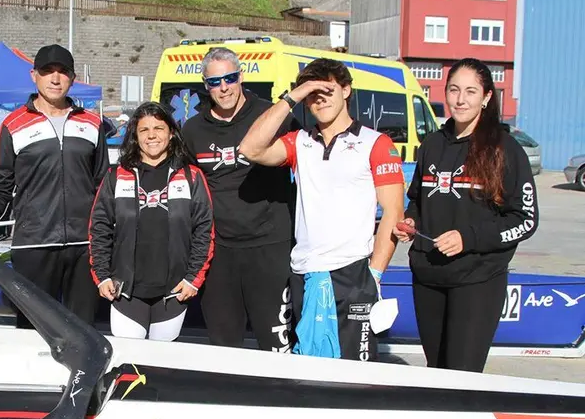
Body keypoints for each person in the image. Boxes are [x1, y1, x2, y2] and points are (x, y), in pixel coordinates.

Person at [240, 58, 406, 362]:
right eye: (311, 94)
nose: (319, 99)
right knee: (306, 369)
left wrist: (374, 274)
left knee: (355, 375)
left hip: (353, 273)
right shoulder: (300, 141)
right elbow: (250, 149)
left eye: (326, 90)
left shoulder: (376, 143)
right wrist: (293, 96)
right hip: (304, 272)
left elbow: (393, 213)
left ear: (346, 90)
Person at [393, 58, 538, 373]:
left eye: (471, 91)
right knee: (437, 371)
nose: (460, 99)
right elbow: (418, 200)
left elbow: (525, 220)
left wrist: (468, 238)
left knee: (462, 376)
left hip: (477, 279)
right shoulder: (432, 144)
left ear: (486, 97)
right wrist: (412, 221)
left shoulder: (505, 149)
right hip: (428, 277)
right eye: (454, 90)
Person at [0, 44, 109, 327]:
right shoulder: (13, 124)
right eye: (47, 71)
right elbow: (1, 185)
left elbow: (103, 185)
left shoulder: (92, 123)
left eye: (62, 72)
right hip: (34, 245)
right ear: (34, 76)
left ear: (72, 78)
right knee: (33, 330)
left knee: (84, 329)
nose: (55, 78)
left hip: (85, 246)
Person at [181, 47, 297, 353]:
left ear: (241, 76)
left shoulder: (272, 116)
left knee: (277, 345)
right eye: (214, 81)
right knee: (224, 347)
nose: (224, 87)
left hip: (271, 245)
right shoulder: (192, 130)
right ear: (205, 85)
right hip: (220, 252)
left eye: (230, 78)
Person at [89, 102, 214, 341]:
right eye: (144, 130)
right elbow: (99, 229)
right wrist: (102, 276)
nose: (152, 135)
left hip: (173, 291)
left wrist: (193, 279)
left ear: (171, 132)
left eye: (158, 128)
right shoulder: (116, 176)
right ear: (135, 136)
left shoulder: (191, 176)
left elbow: (204, 231)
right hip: (126, 292)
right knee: (129, 360)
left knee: (162, 360)